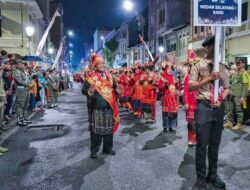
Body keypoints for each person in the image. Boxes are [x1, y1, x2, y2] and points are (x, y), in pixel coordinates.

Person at [189, 35, 230, 190]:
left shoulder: (222, 67)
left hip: (218, 108)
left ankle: (213, 175)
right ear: (207, 48)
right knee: (202, 146)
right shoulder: (198, 65)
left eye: (219, 46)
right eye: (215, 46)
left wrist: (221, 99)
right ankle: (201, 178)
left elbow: (227, 87)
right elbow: (191, 87)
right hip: (204, 107)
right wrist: (208, 79)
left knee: (215, 145)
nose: (218, 48)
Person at [82, 53, 121, 159]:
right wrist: (90, 90)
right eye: (100, 64)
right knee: (96, 131)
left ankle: (107, 149)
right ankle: (94, 151)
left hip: (109, 106)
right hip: (97, 107)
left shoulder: (110, 76)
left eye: (103, 63)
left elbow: (115, 88)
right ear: (95, 66)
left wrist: (118, 91)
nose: (103, 65)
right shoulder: (91, 77)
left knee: (109, 129)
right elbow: (84, 90)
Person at [224, 59, 249, 130]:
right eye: (237, 63)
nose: (238, 64)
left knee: (239, 110)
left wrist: (243, 97)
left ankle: (239, 124)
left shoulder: (244, 73)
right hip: (232, 94)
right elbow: (231, 82)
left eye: (239, 63)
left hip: (239, 95)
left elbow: (245, 86)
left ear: (243, 64)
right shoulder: (236, 73)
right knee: (230, 109)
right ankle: (230, 122)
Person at [183, 50, 199, 146]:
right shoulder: (187, 77)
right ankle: (191, 139)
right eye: (190, 65)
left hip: (199, 102)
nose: (191, 67)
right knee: (191, 123)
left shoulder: (200, 76)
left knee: (199, 122)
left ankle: (197, 138)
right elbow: (185, 90)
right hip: (190, 102)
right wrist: (185, 102)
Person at [159, 61, 179, 132]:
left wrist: (177, 84)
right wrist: (164, 85)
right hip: (166, 98)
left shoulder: (174, 77)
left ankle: (171, 126)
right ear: (165, 70)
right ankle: (165, 126)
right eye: (168, 69)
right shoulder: (163, 78)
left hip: (173, 98)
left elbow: (177, 87)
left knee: (173, 113)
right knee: (166, 113)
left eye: (171, 69)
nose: (170, 70)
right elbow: (160, 88)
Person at [14, 60, 32, 126]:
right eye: (19, 64)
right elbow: (19, 81)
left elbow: (30, 78)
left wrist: (30, 84)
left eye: (22, 64)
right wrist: (28, 84)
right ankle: (20, 119)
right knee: (20, 104)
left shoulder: (25, 71)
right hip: (21, 90)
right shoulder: (16, 72)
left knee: (26, 104)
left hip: (27, 89)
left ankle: (24, 117)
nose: (21, 65)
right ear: (16, 65)